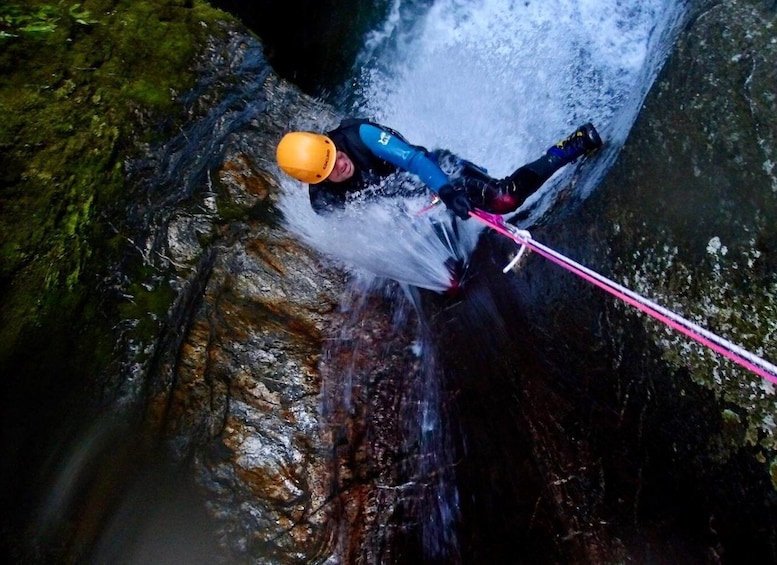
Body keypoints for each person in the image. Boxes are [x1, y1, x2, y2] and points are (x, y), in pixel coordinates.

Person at [275, 118, 602, 219]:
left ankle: (569, 146)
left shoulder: (361, 136)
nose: (341, 163)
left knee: (503, 200)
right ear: (319, 180)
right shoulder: (324, 202)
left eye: (335, 154)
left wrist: (445, 190)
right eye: (332, 168)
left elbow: (415, 161)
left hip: (434, 172)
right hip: (411, 208)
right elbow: (366, 231)